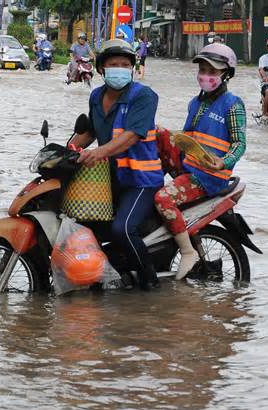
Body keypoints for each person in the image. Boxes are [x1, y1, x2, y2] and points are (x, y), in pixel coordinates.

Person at [68, 39, 162, 290]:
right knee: (85, 228)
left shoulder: (144, 96)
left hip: (141, 180)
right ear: (101, 69)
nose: (119, 68)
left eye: (124, 64)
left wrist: (98, 152)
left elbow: (131, 136)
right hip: (110, 179)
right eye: (113, 64)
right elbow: (90, 131)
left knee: (122, 229)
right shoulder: (96, 95)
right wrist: (66, 151)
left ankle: (149, 281)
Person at [154, 44, 246, 279]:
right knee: (157, 133)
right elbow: (188, 139)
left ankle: (187, 251)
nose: (205, 76)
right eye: (203, 70)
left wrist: (223, 163)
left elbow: (239, 144)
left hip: (208, 178)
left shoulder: (232, 105)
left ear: (226, 75)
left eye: (212, 72)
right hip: (189, 167)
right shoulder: (195, 103)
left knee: (163, 199)